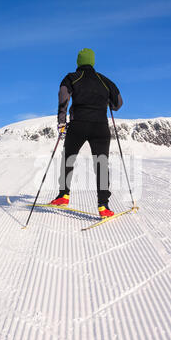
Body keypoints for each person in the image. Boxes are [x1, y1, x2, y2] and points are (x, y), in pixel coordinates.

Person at [50, 48, 123, 217]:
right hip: (100, 127)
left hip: (79, 125)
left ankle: (63, 195)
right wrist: (108, 105)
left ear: (78, 61)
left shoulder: (72, 77)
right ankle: (104, 205)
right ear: (93, 61)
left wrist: (61, 121)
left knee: (68, 158)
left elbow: (63, 97)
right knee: (101, 164)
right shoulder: (105, 81)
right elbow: (118, 103)